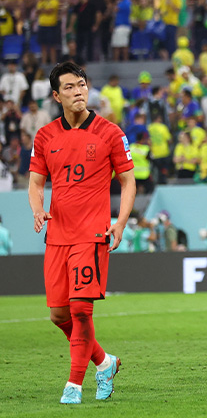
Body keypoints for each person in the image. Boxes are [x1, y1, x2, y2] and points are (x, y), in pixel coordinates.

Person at [29, 61, 136, 404]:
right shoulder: (45, 136)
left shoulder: (109, 132)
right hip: (57, 235)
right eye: (71, 87)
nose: (79, 92)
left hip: (92, 233)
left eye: (82, 85)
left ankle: (74, 385)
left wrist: (120, 221)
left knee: (80, 310)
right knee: (59, 315)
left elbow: (128, 180)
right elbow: (35, 182)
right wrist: (37, 208)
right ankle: (105, 362)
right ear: (57, 95)